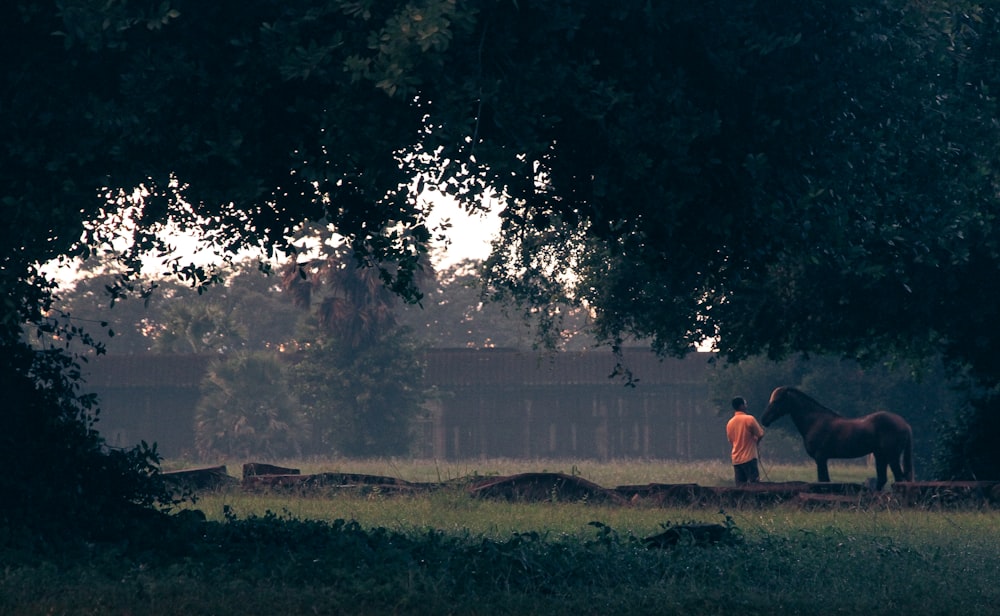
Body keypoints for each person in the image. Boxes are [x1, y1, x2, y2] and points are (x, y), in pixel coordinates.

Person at [726, 396, 765, 484]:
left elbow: (731, 440)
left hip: (736, 459)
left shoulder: (730, 423)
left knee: (740, 487)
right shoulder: (749, 419)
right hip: (749, 457)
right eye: (745, 404)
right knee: (754, 484)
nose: (746, 406)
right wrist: (756, 442)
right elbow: (760, 434)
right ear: (741, 406)